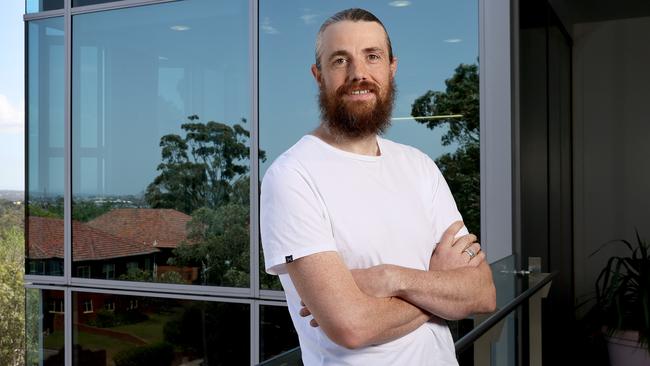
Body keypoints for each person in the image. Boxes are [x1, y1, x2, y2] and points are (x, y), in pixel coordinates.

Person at [260, 8, 496, 365]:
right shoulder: (292, 176)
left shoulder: (419, 166)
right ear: (318, 75)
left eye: (372, 56)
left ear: (391, 68)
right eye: (340, 60)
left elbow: (482, 293)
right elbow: (351, 327)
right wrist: (438, 290)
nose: (359, 74)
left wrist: (390, 278)